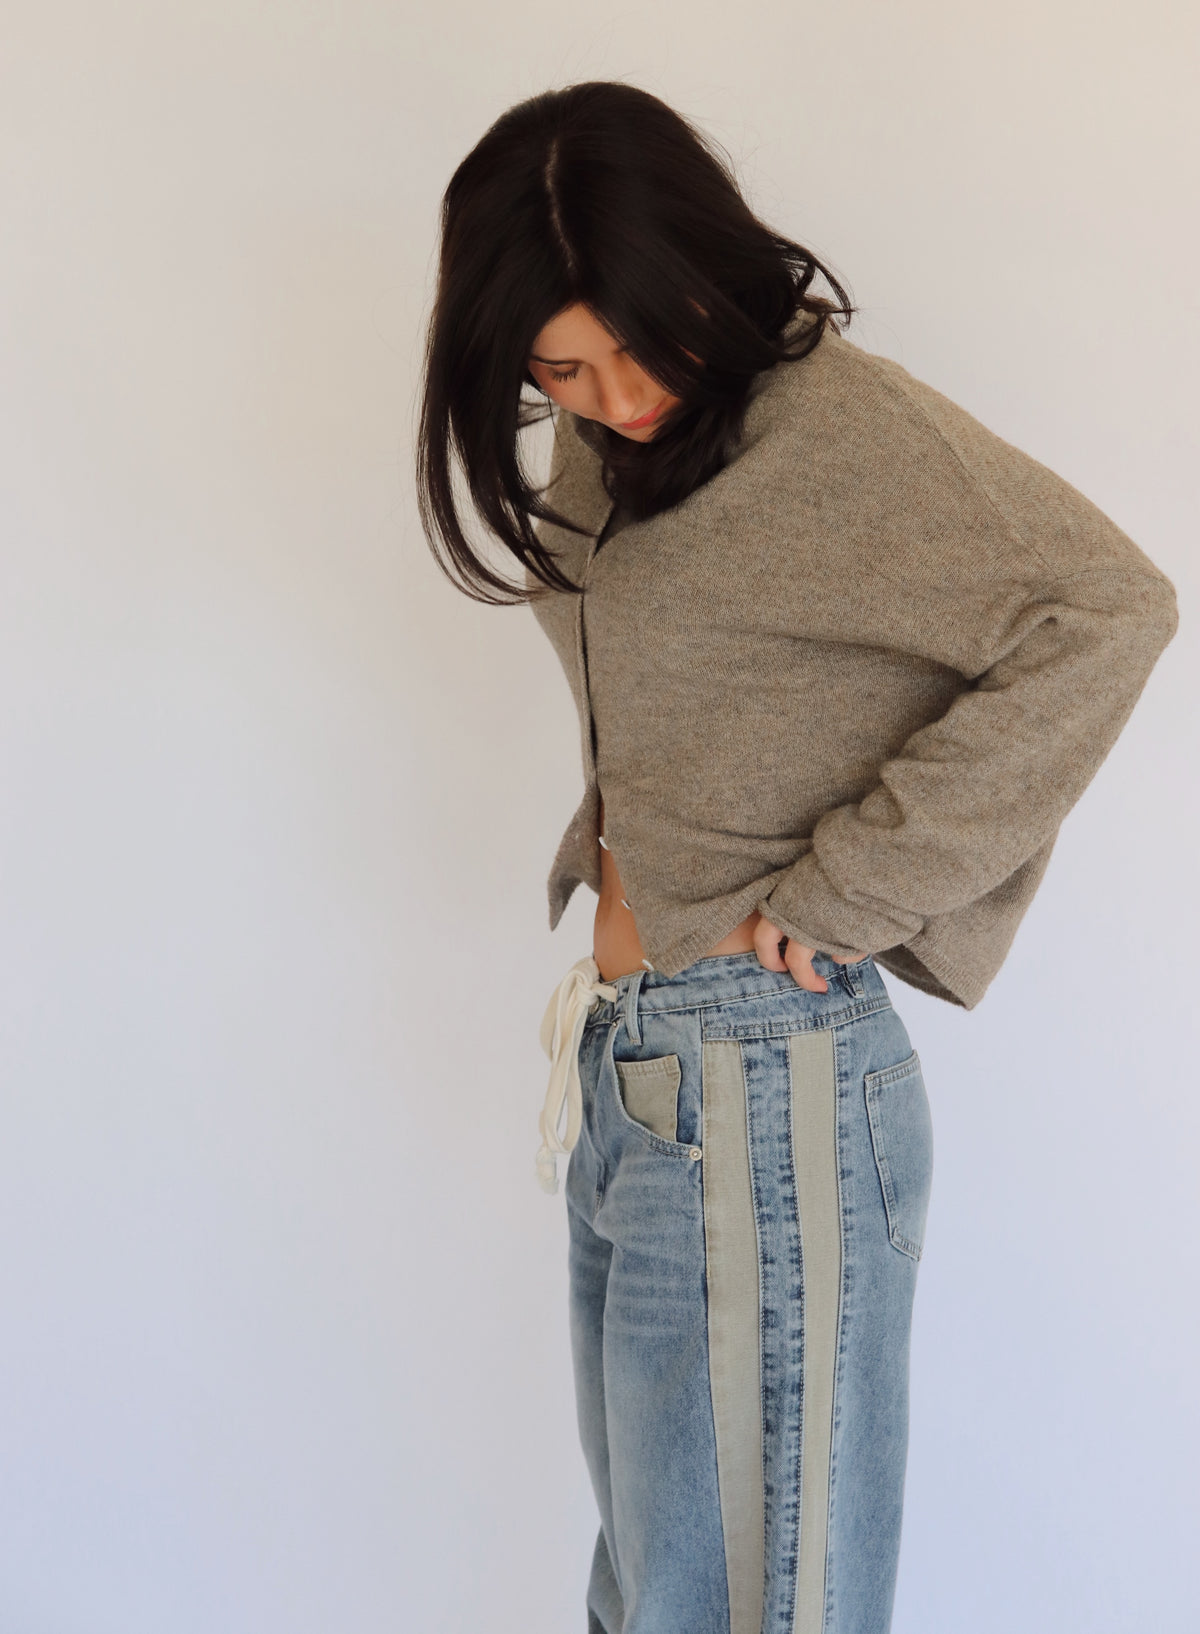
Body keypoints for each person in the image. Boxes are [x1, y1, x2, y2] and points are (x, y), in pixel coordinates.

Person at [414, 81, 1178, 1634]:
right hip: (636, 1085)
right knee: (656, 1600)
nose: (616, 396)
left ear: (703, 268)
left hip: (765, 1079)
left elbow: (1111, 610)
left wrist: (859, 885)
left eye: (640, 343)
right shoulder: (601, 452)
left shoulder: (843, 432)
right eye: (562, 367)